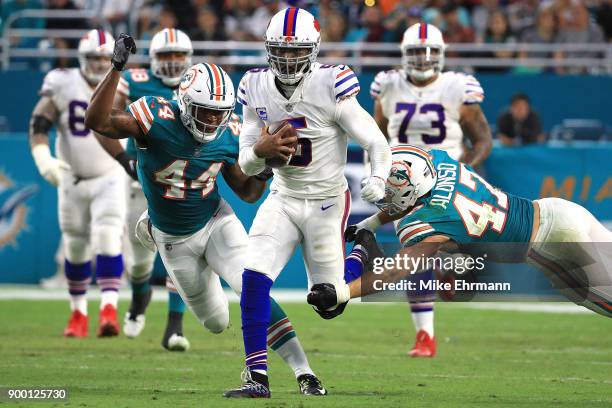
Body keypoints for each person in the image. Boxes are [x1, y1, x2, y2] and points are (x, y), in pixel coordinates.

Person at [85, 34, 327, 397]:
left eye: (219, 111)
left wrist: (262, 165)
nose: (213, 118)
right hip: (174, 238)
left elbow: (247, 192)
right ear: (183, 104)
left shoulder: (228, 135)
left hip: (216, 220)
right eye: (205, 110)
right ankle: (151, 226)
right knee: (216, 321)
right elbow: (97, 120)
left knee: (252, 287)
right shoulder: (155, 117)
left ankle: (304, 372)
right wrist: (116, 68)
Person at [224, 7, 391, 398]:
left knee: (329, 303)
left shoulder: (331, 83)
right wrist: (261, 152)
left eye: (296, 51)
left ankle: (361, 253)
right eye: (279, 51)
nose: (287, 60)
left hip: (326, 203)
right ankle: (257, 377)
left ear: (313, 50)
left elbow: (375, 141)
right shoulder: (255, 85)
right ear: (268, 50)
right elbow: (245, 161)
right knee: (253, 279)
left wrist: (379, 177)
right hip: (282, 196)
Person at [307, 145, 612, 319]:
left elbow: (393, 273)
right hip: (557, 210)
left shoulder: (434, 221)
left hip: (550, 244)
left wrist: (344, 292)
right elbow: (410, 197)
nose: (386, 201)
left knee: (602, 299)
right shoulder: (439, 162)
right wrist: (371, 223)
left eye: (389, 195)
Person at [369, 23, 492, 357]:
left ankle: (448, 263)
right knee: (415, 253)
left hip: (445, 179)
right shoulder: (388, 86)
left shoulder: (457, 87)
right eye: (416, 52)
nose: (423, 60)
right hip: (401, 183)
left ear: (441, 54)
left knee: (427, 247)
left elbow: (482, 139)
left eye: (429, 52)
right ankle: (425, 334)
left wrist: (465, 167)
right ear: (403, 55)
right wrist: (377, 172)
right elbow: (375, 136)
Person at [95, 28, 194, 351]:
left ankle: (174, 327)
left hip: (185, 182)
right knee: (139, 262)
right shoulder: (135, 80)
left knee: (182, 255)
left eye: (178, 55)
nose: (173, 61)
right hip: (143, 180)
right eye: (166, 55)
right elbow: (103, 118)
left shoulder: (199, 84)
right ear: (153, 59)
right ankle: (139, 299)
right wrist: (125, 160)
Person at [29, 29, 125, 338]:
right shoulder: (62, 81)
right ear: (81, 59)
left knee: (109, 236)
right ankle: (78, 313)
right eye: (92, 59)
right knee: (74, 242)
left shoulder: (121, 83)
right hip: (71, 176)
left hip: (110, 173)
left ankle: (109, 310)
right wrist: (43, 157)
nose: (98, 65)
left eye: (103, 59)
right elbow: (40, 122)